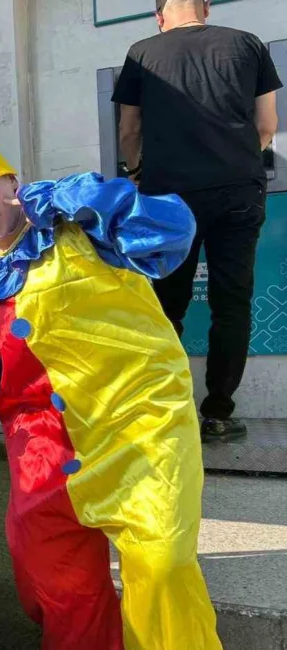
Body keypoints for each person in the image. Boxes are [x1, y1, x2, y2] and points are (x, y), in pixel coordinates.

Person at [0, 82, 220, 648]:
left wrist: (95, 199)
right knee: (49, 572)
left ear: (12, 181)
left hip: (138, 419)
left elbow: (174, 234)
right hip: (43, 444)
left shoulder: (76, 220)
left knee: (163, 564)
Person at [112, 0, 281, 442]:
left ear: (159, 16)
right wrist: (236, 159)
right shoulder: (248, 45)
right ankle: (219, 415)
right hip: (238, 191)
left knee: (165, 306)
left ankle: (165, 412)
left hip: (169, 197)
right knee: (232, 303)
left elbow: (129, 131)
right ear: (205, 7)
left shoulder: (141, 53)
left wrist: (137, 171)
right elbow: (267, 124)